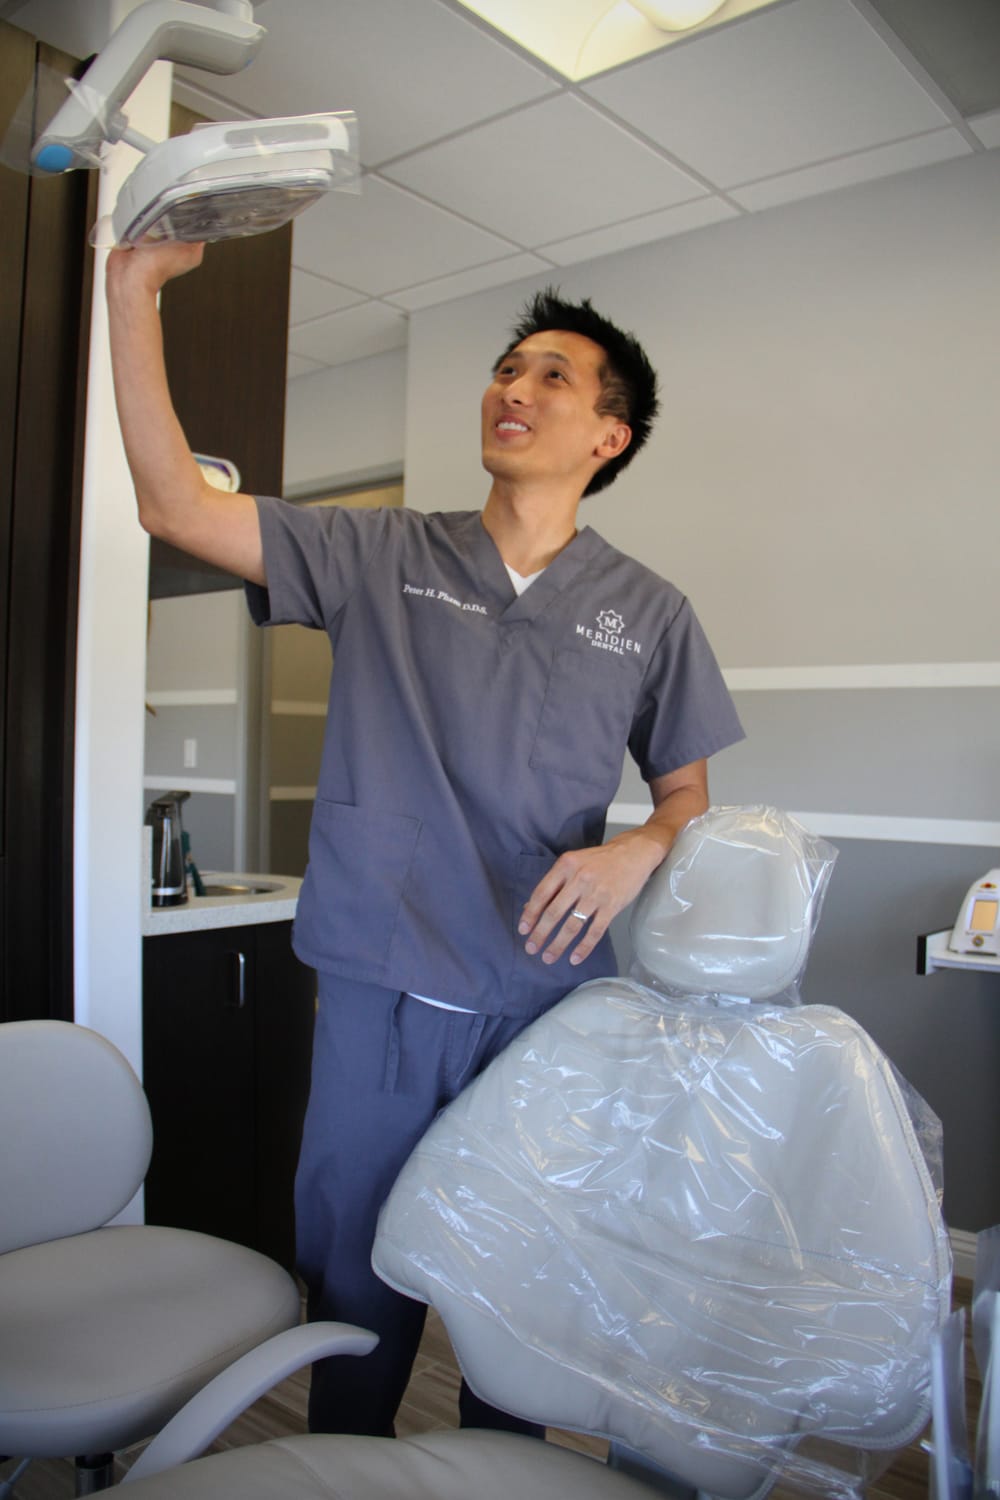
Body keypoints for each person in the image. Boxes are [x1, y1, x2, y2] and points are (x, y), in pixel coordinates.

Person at [106, 240, 744, 1440]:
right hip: (381, 981)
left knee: (519, 1272)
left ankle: (504, 1474)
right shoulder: (382, 555)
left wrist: (637, 849)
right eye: (507, 368)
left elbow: (685, 795)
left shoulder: (649, 612)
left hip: (541, 991)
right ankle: (343, 1464)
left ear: (610, 434)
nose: (514, 388)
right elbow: (172, 504)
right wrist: (131, 294)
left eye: (553, 376)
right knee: (356, 1275)